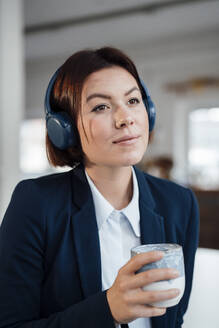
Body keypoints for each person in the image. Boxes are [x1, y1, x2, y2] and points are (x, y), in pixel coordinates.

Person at [0, 47, 199, 328]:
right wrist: (108, 310)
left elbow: (174, 318)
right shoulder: (35, 203)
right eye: (101, 107)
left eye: (133, 100)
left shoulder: (179, 202)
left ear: (149, 111)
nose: (125, 118)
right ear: (64, 127)